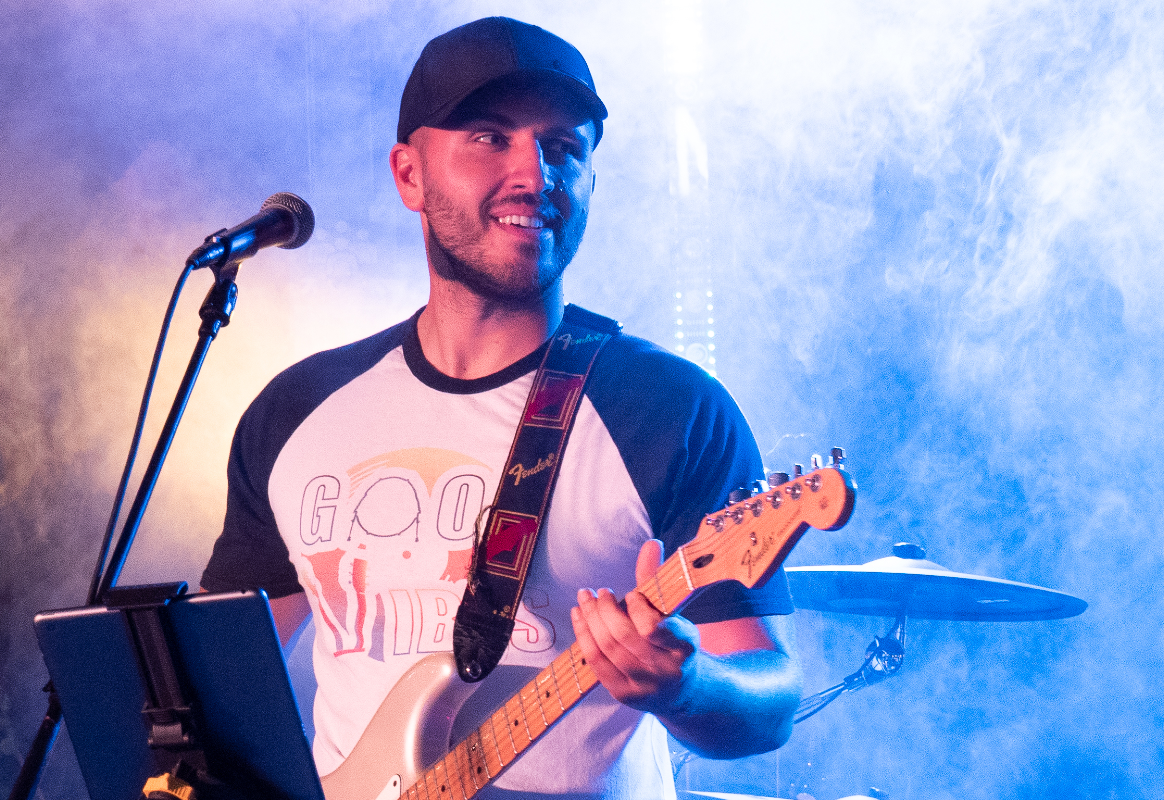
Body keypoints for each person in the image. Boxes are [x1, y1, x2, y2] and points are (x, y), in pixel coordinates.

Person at [199, 17, 804, 799]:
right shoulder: (298, 410)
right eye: (489, 136)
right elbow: (220, 692)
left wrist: (685, 690)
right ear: (409, 174)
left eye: (564, 147)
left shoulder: (669, 409)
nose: (534, 172)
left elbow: (771, 700)